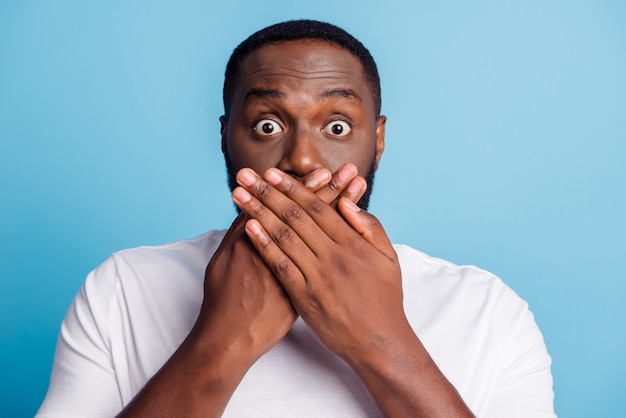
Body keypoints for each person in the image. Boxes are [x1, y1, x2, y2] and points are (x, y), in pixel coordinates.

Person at [37, 19, 555, 417]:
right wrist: (221, 341)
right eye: (267, 124)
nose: (302, 160)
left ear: (377, 140)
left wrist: (379, 339)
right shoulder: (124, 289)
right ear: (225, 136)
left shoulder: (489, 310)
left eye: (335, 126)